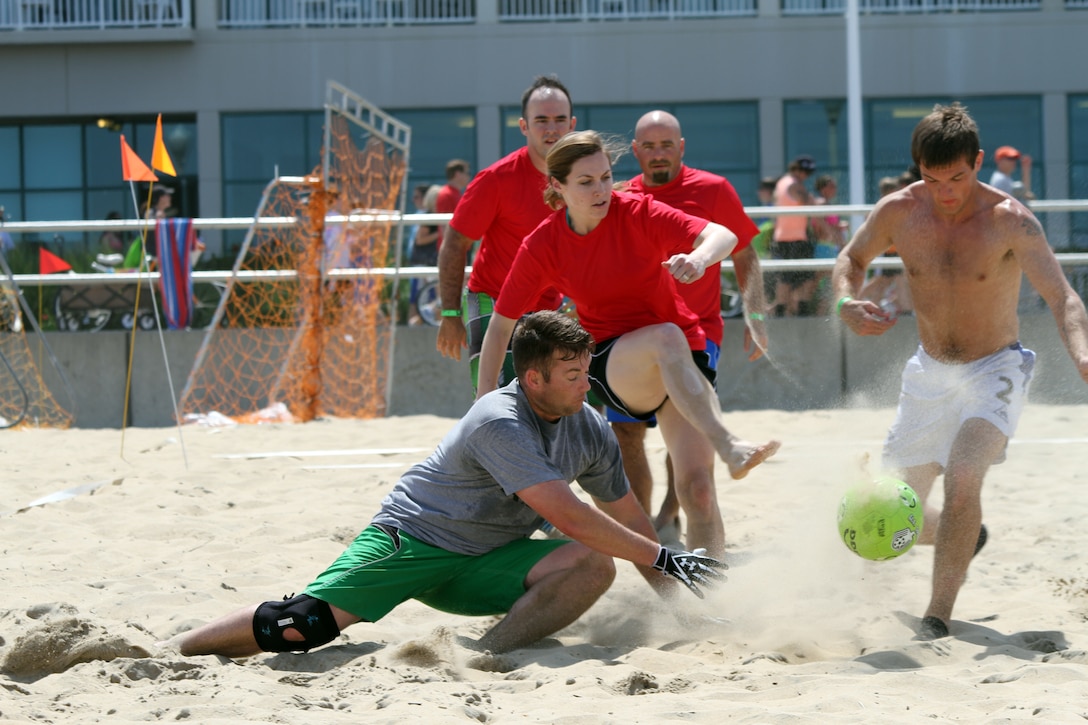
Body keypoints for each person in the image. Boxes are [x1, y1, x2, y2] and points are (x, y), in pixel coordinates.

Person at [173, 310, 726, 659]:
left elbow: (627, 521)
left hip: (491, 558)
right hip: (414, 540)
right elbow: (570, 516)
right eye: (575, 375)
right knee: (300, 625)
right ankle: (176, 648)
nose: (589, 384)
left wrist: (687, 608)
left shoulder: (588, 426)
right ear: (533, 379)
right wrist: (670, 557)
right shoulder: (498, 419)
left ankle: (486, 655)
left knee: (592, 563)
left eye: (587, 370)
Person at [831, 102, 1088, 641]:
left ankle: (937, 618)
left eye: (957, 178)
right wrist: (845, 303)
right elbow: (850, 261)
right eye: (932, 178)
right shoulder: (899, 210)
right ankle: (963, 534)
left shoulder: (1011, 220)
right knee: (894, 513)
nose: (946, 192)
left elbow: (1064, 297)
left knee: (966, 476)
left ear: (977, 161)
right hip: (929, 375)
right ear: (917, 168)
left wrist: (1082, 353)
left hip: (996, 367)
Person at [476, 130, 781, 558]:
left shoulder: (638, 210)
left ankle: (708, 597)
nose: (601, 189)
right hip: (611, 361)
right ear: (557, 187)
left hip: (681, 356)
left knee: (699, 492)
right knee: (665, 338)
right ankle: (729, 444)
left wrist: (697, 258)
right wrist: (484, 403)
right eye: (586, 182)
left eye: (605, 177)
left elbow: (724, 237)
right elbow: (500, 325)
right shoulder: (543, 242)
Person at [608, 110, 769, 542]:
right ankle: (643, 526)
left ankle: (669, 513)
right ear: (636, 151)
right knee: (625, 434)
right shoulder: (621, 197)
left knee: (685, 428)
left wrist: (755, 316)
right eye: (649, 146)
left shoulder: (713, 190)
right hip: (634, 336)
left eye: (666, 145)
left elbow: (745, 254)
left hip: (696, 333)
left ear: (681, 147)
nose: (658, 155)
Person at [436, 74, 576, 391]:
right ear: (524, 126)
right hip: (492, 299)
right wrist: (449, 313)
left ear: (572, 124)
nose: (551, 128)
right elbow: (455, 243)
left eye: (559, 119)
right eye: (541, 120)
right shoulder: (496, 180)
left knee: (556, 401)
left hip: (550, 305)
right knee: (497, 405)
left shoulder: (583, 180)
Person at [771, 155, 824, 317]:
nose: (805, 176)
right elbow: (811, 205)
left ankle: (781, 309)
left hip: (782, 235)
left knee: (786, 276)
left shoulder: (781, 183)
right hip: (796, 237)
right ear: (796, 170)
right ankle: (801, 308)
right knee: (805, 275)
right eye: (804, 172)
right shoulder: (795, 185)